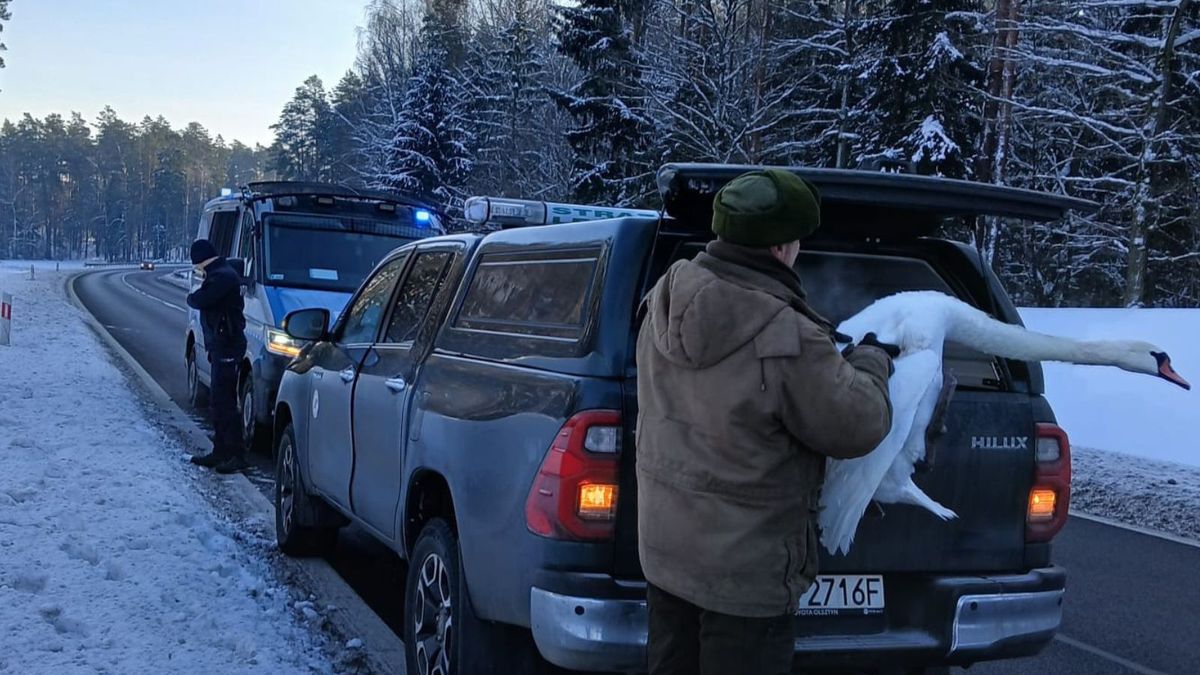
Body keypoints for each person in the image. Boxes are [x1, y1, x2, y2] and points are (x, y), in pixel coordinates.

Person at [635, 169, 898, 674]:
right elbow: (859, 423)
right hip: (745, 578)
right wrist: (871, 360)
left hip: (668, 558)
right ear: (781, 249)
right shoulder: (785, 335)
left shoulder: (662, 300)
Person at [186, 239, 249, 474]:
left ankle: (236, 454)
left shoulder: (221, 276)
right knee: (218, 401)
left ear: (201, 259)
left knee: (226, 403)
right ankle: (220, 451)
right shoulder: (220, 272)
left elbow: (200, 299)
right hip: (221, 344)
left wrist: (193, 296)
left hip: (227, 344)